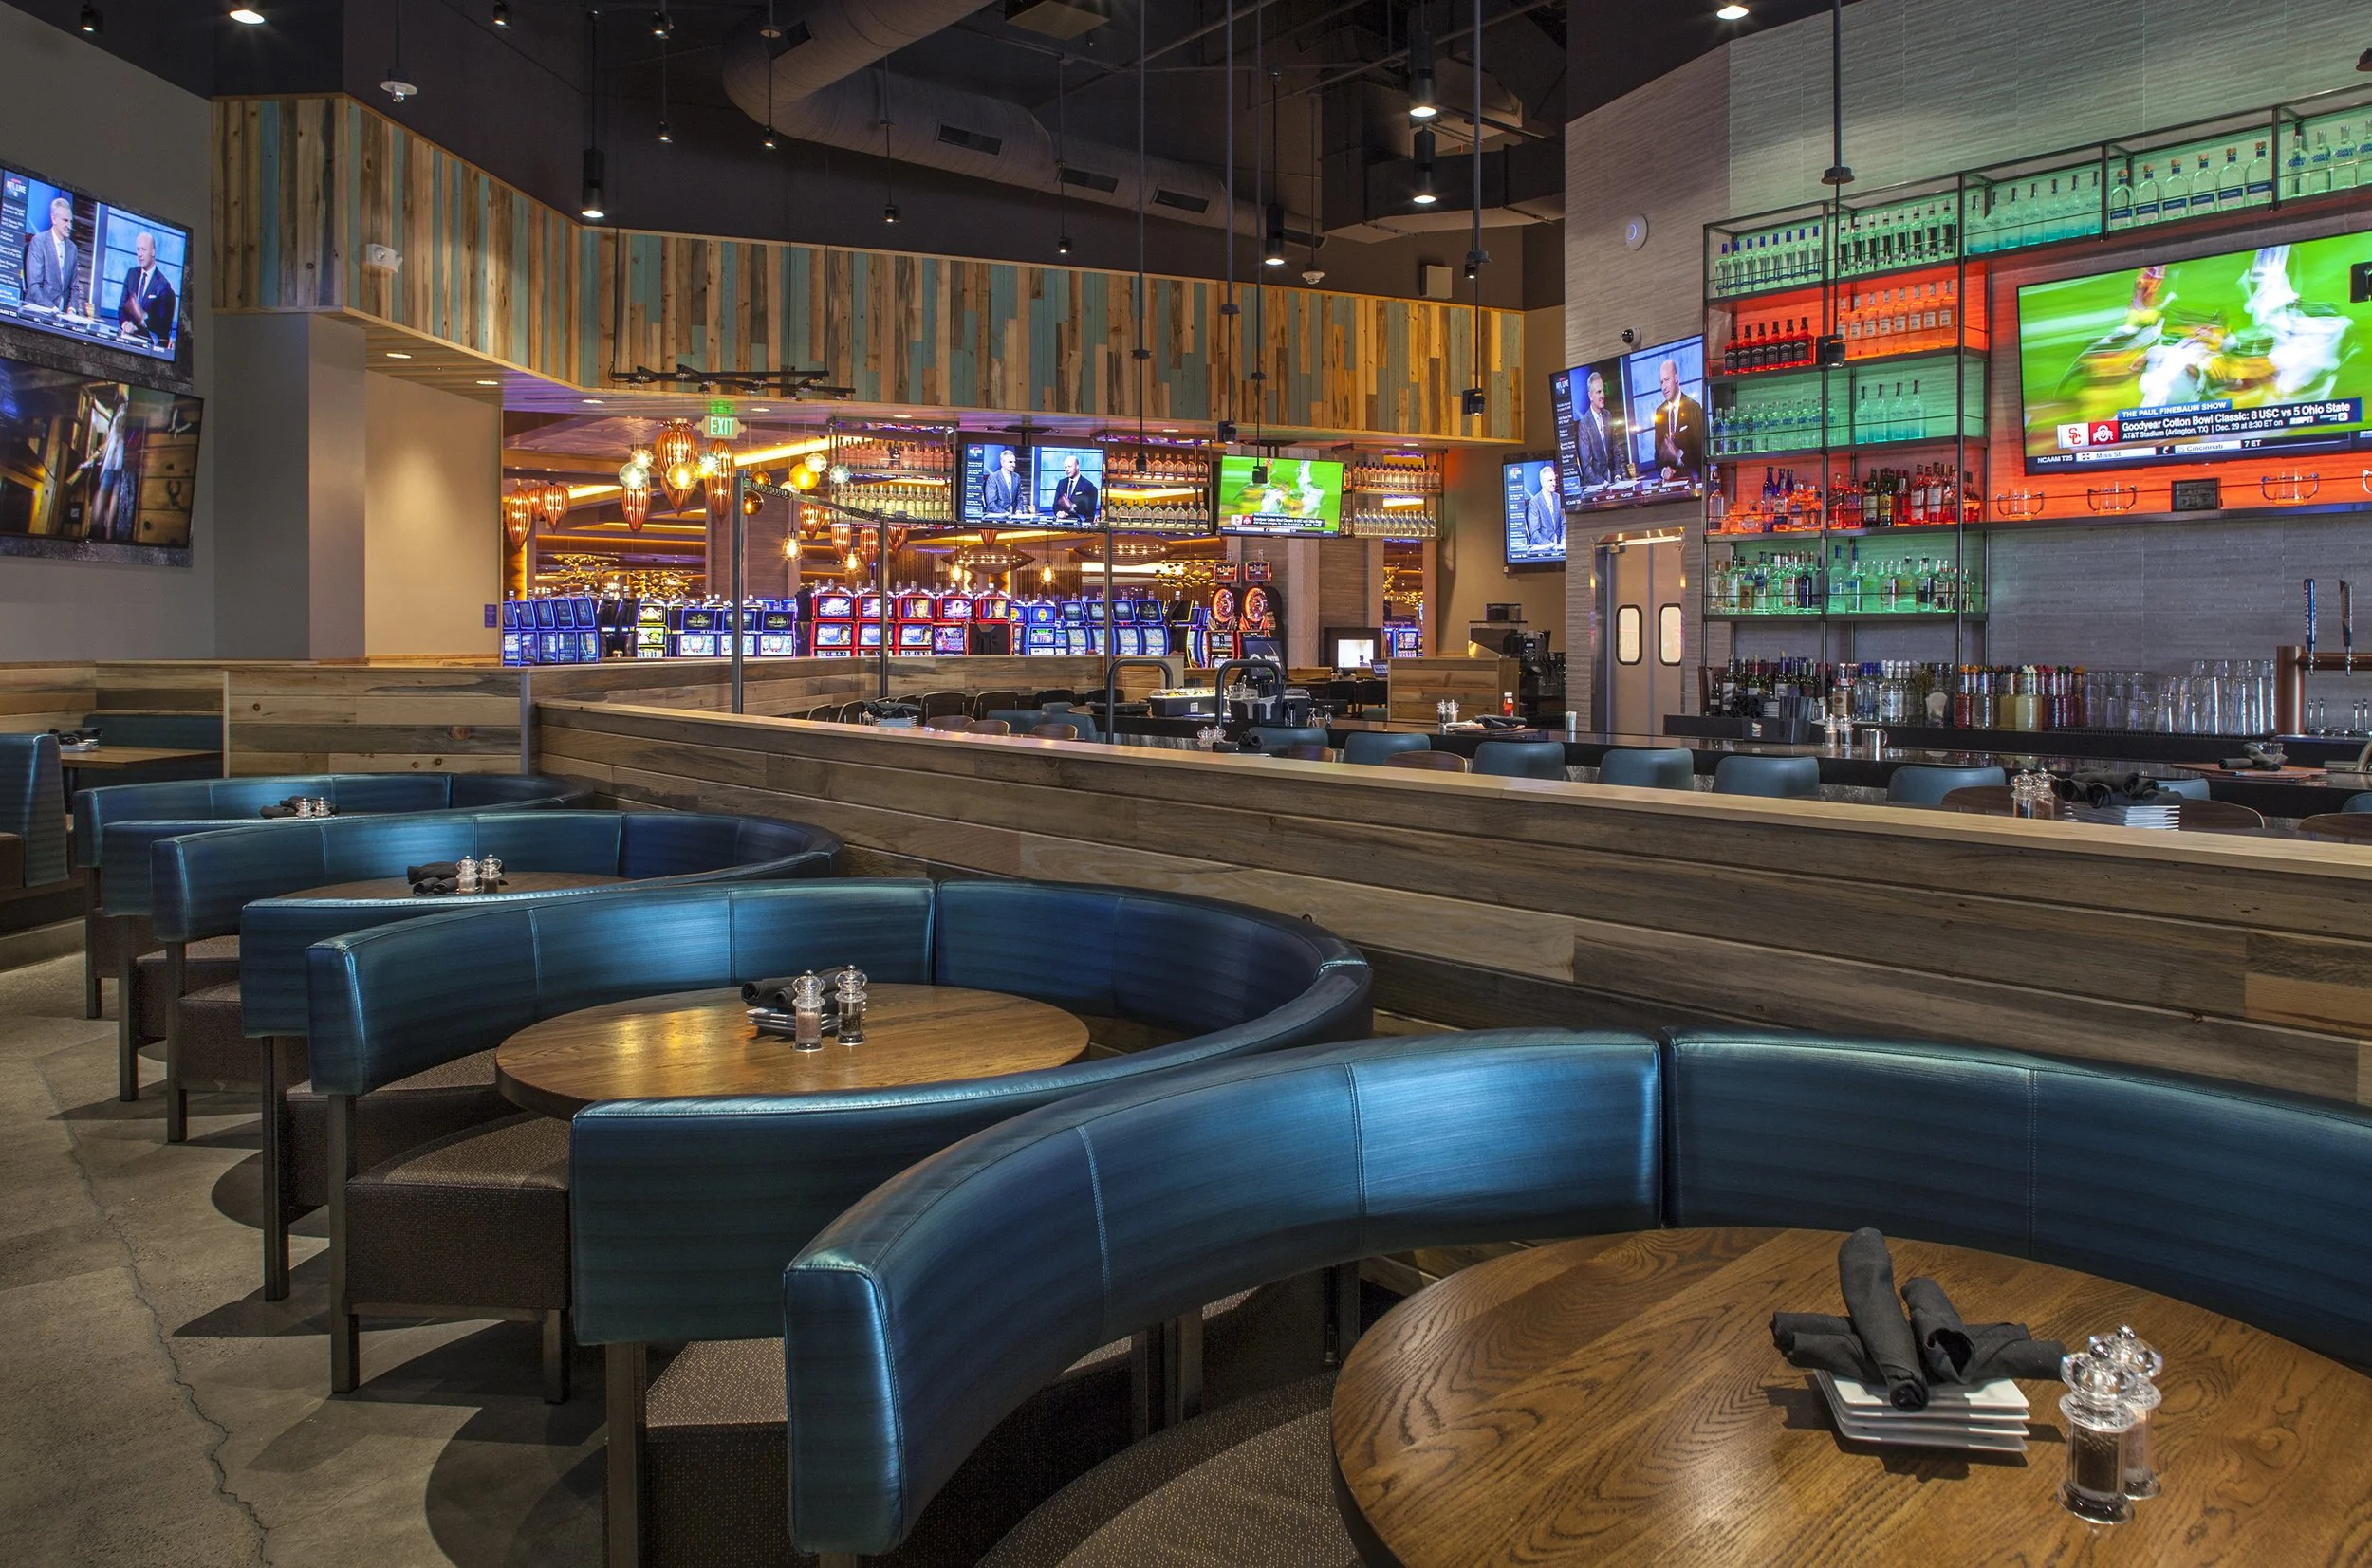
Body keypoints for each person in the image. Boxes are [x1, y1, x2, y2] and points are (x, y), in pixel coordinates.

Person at [1570, 367, 1633, 488]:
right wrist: (1605, 484)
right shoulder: (1584, 424)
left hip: (1614, 481)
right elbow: (1587, 469)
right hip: (1598, 485)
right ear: (1590, 395)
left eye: (1603, 391)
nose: (1603, 395)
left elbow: (1615, 451)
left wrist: (1618, 477)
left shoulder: (1608, 415)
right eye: (1598, 392)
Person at [115, 232, 176, 346]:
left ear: (153, 252)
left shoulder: (163, 285)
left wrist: (142, 317)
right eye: (138, 250)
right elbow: (122, 307)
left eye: (144, 249)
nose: (140, 254)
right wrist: (125, 324)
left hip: (149, 344)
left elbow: (162, 325)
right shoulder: (131, 274)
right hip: (127, 340)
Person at [22, 195, 80, 311]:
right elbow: (34, 287)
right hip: (38, 310)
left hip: (62, 314)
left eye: (71, 221)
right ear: (54, 219)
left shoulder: (72, 248)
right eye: (65, 220)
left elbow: (75, 287)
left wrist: (71, 309)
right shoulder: (39, 241)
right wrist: (52, 308)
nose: (70, 226)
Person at [1651, 358, 1705, 481]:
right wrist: (1664, 471)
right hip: (1670, 486)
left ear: (1676, 378)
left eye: (1667, 380)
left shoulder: (1694, 407)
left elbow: (1701, 453)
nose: (1664, 387)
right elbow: (1657, 454)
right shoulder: (1659, 411)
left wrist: (1678, 455)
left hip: (1693, 481)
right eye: (1661, 382)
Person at [1523, 462, 1563, 551]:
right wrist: (1550, 544)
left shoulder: (1558, 498)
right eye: (1550, 480)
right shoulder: (1534, 502)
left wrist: (1563, 541)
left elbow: (1563, 524)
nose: (1554, 483)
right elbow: (1535, 533)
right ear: (1542, 482)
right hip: (1543, 547)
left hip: (1560, 545)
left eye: (1554, 480)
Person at [979, 446, 1024, 517]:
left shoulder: (1017, 477)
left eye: (1014, 462)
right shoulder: (993, 478)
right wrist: (1004, 513)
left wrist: (1019, 510)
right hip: (998, 517)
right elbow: (991, 504)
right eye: (1010, 462)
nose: (1014, 465)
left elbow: (1019, 498)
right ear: (1002, 463)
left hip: (1014, 517)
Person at [1051, 453, 1098, 523]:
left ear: (1077, 467)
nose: (1067, 470)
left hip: (1081, 527)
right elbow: (1055, 505)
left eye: (1069, 466)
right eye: (1065, 467)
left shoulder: (1088, 486)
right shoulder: (1061, 483)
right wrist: (1059, 513)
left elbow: (1089, 511)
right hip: (1062, 523)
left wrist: (1071, 506)